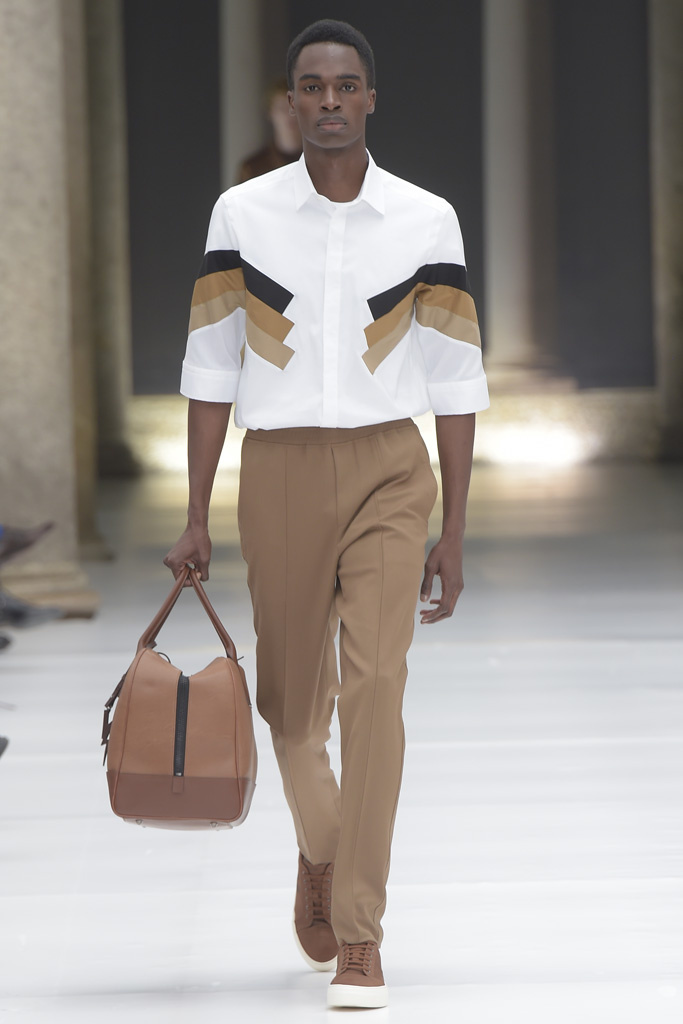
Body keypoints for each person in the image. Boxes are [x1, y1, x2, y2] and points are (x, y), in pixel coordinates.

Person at [164, 19, 489, 1010]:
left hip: (392, 468)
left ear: (371, 98)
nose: (330, 101)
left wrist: (453, 528)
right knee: (289, 709)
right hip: (278, 470)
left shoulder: (425, 219)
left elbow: (456, 380)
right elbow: (211, 371)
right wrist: (194, 514)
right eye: (313, 86)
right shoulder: (242, 215)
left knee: (376, 689)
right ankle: (321, 846)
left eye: (347, 85)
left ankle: (358, 932)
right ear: (291, 101)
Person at [237, 78, 302, 183]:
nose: (290, 114)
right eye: (282, 108)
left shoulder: (322, 163)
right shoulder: (253, 169)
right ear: (270, 112)